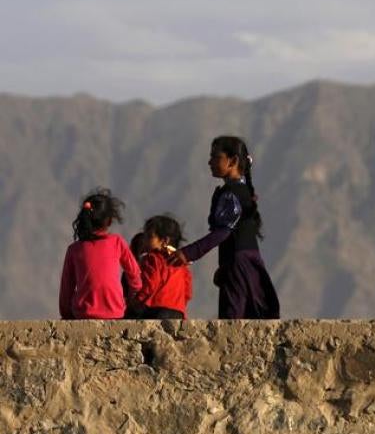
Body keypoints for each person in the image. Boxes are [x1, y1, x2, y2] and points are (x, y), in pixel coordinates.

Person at [169, 136, 280, 319]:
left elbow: (223, 232)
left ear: (233, 161)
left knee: (234, 317)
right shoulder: (239, 192)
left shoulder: (233, 195)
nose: (210, 162)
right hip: (243, 263)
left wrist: (188, 253)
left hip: (240, 264)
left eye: (215, 157)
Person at [59, 189, 142, 320]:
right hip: (115, 312)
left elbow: (66, 289)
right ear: (109, 221)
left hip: (83, 313)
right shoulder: (117, 242)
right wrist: (132, 300)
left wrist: (66, 314)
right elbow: (135, 275)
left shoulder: (74, 249)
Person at [132, 215, 192, 320]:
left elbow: (150, 285)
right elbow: (188, 292)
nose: (145, 240)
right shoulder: (182, 264)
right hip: (178, 312)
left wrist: (137, 301)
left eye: (149, 236)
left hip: (157, 310)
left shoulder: (152, 258)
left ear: (165, 241)